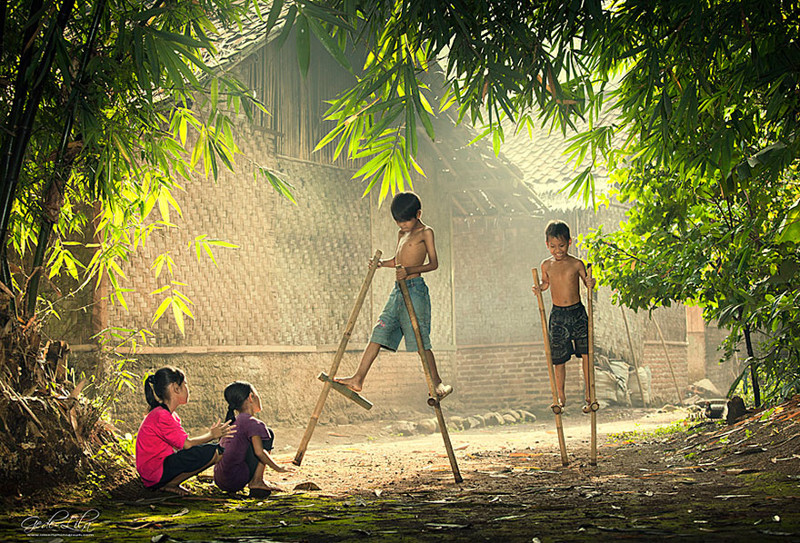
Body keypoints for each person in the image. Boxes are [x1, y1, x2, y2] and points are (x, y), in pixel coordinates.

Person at [335, 191, 452, 399]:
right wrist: (381, 265)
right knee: (379, 332)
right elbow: (398, 260)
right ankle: (358, 379)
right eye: (398, 223)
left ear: (418, 214)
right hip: (397, 292)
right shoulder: (401, 234)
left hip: (415, 291)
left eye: (405, 222)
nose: (402, 226)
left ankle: (438, 384)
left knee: (420, 340)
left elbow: (434, 264)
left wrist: (409, 270)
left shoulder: (426, 232)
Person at [135, 366, 235, 496]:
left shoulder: (170, 415)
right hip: (154, 472)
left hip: (157, 469)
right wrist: (211, 435)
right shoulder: (161, 415)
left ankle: (172, 483)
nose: (188, 389)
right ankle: (170, 484)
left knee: (214, 451)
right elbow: (187, 444)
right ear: (175, 388)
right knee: (213, 451)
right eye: (185, 384)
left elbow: (183, 445)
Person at [532, 220, 596, 410]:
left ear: (569, 242)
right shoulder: (546, 265)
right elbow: (545, 284)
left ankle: (588, 394)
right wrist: (539, 288)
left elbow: (587, 283)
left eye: (561, 246)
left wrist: (591, 281)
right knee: (558, 359)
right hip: (558, 315)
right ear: (547, 245)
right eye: (553, 246)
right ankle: (561, 396)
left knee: (586, 353)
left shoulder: (576, 263)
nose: (557, 250)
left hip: (577, 313)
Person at [214, 381, 293, 497]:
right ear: (251, 397)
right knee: (268, 434)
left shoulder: (233, 421)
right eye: (257, 395)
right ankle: (257, 481)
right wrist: (278, 468)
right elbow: (259, 452)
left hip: (220, 480)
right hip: (236, 479)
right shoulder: (252, 423)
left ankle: (256, 481)